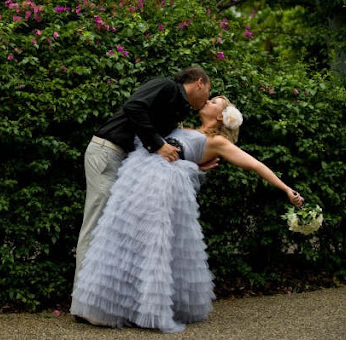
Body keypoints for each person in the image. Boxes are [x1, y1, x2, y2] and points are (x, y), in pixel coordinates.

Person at [70, 96, 304, 333]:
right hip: (138, 177)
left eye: (215, 101)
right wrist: (195, 165)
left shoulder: (219, 142)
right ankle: (121, 305)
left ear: (222, 116)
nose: (208, 100)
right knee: (125, 239)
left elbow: (255, 164)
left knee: (152, 244)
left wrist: (286, 189)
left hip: (160, 186)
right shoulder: (184, 127)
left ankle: (148, 309)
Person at [72, 66, 216, 295]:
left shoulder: (179, 110)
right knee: (97, 225)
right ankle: (83, 300)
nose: (208, 98)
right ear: (199, 82)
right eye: (209, 90)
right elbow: (134, 106)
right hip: (107, 152)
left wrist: (194, 165)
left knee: (115, 230)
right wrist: (157, 144)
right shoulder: (166, 86)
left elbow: (172, 145)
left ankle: (105, 300)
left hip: (125, 162)